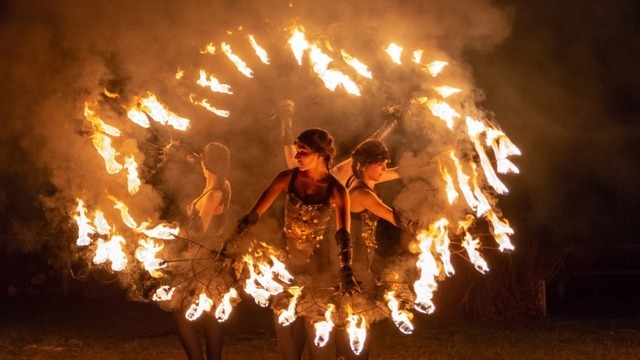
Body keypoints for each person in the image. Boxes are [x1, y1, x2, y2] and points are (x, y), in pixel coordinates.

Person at [228, 128, 359, 360]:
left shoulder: (336, 190)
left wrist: (346, 269)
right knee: (285, 331)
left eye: (303, 152)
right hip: (286, 266)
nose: (297, 156)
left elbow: (343, 234)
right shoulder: (287, 177)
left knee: (316, 336)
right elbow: (254, 214)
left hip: (318, 271)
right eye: (297, 151)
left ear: (320, 154)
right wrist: (232, 238)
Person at [174, 142, 232, 360]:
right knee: (209, 317)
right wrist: (183, 153)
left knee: (183, 317)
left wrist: (169, 230)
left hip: (202, 263)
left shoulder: (213, 194)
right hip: (210, 261)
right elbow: (196, 163)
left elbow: (199, 232)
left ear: (205, 163)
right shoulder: (223, 184)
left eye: (202, 158)